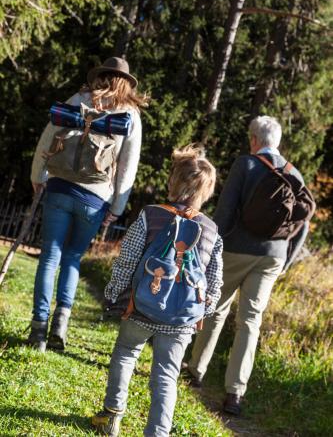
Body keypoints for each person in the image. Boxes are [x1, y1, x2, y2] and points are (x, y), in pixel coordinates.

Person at [92, 145, 223, 437]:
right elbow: (214, 282)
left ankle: (111, 417)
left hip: (140, 307)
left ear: (173, 182)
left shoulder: (150, 215)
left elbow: (127, 260)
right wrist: (202, 312)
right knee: (166, 376)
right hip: (182, 319)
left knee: (126, 353)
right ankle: (157, 433)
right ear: (207, 191)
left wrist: (114, 293)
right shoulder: (212, 230)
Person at [183, 115, 311, 415]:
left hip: (236, 249)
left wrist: (211, 247)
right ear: (276, 141)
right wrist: (285, 261)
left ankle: (196, 371)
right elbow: (303, 223)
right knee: (250, 321)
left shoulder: (246, 164)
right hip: (273, 256)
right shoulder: (295, 173)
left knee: (216, 308)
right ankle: (235, 394)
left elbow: (226, 209)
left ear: (254, 139)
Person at [27, 57, 148, 352]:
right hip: (94, 198)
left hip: (59, 187)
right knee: (71, 258)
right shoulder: (129, 114)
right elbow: (127, 167)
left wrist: (38, 176)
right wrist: (117, 207)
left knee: (49, 257)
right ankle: (61, 324)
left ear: (101, 76)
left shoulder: (79, 98)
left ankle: (38, 329)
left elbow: (48, 137)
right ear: (126, 82)